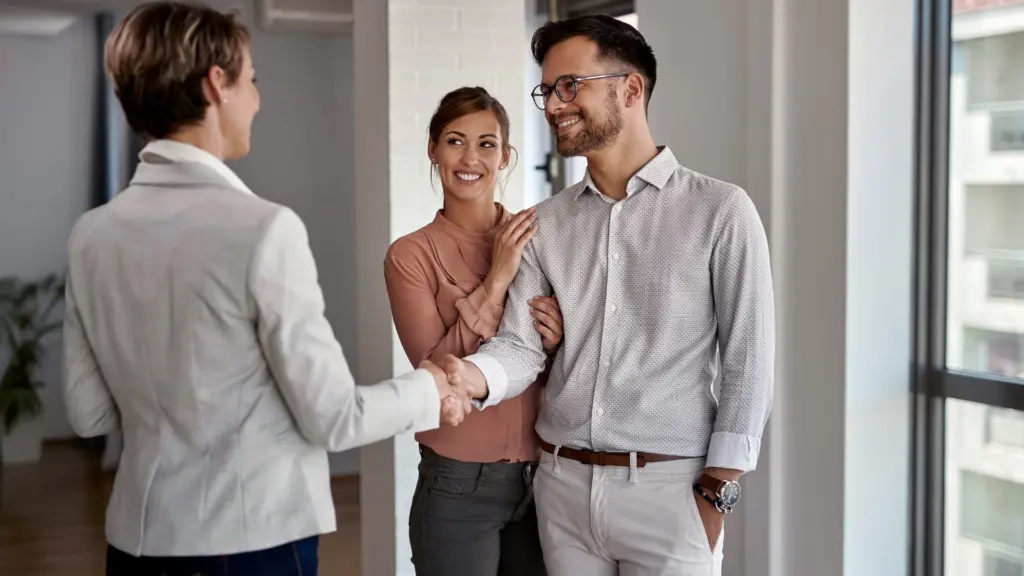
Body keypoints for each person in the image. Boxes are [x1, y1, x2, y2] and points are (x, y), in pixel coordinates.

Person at [61, 3, 469, 575]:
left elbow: (88, 414)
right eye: (252, 79)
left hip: (136, 543)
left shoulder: (91, 234)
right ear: (216, 84)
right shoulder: (262, 229)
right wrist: (430, 388)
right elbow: (333, 418)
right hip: (248, 544)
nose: (256, 98)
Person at [440, 15, 775, 576]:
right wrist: (470, 378)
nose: (552, 105)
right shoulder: (543, 223)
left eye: (570, 86)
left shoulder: (721, 211)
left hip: (672, 491)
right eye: (547, 90)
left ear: (631, 88)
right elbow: (520, 348)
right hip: (562, 488)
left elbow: (749, 360)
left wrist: (718, 492)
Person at [385, 86, 560, 576]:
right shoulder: (410, 256)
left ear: (505, 156)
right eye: (455, 140)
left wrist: (559, 338)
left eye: (487, 144)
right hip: (458, 486)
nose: (471, 158)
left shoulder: (539, 237)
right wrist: (498, 278)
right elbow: (437, 376)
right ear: (433, 150)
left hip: (545, 480)